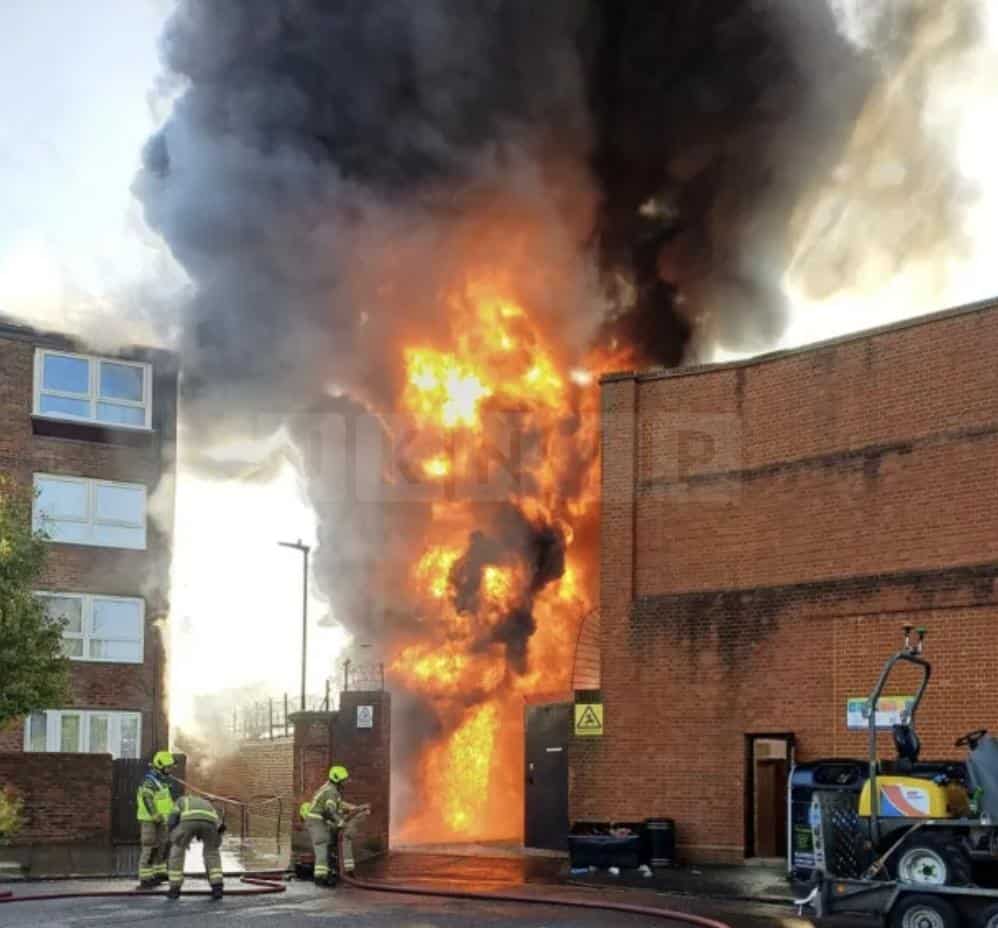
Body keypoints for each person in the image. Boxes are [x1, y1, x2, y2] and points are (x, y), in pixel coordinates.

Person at [304, 765, 369, 886]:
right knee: (322, 844)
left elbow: (339, 805)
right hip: (316, 821)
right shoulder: (331, 791)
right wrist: (340, 822)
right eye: (343, 780)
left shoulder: (331, 789)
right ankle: (320, 878)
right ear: (337, 780)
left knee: (329, 843)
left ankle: (329, 872)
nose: (345, 782)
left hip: (320, 820)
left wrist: (354, 808)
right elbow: (330, 810)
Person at [166, 793, 226, 900]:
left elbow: (172, 819)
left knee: (177, 852)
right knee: (212, 853)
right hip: (211, 824)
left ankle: (174, 890)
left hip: (188, 822)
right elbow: (219, 824)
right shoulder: (207, 804)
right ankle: (217, 887)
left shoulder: (181, 800)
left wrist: (173, 834)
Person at [136, 750, 176, 889]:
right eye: (168, 767)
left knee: (162, 845)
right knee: (149, 846)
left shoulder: (161, 781)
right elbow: (147, 798)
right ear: (160, 766)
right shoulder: (150, 781)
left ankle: (159, 872)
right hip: (150, 819)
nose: (170, 770)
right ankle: (145, 877)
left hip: (162, 819)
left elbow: (165, 800)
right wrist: (155, 815)